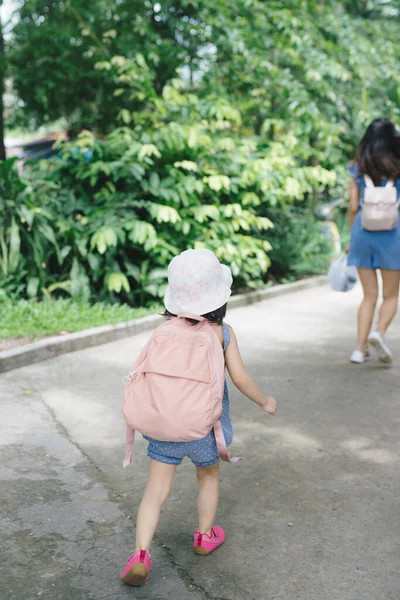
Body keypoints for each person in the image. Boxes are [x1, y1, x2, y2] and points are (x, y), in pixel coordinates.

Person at [120, 249, 277, 586]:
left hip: (163, 426)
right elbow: (240, 378)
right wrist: (265, 401)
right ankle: (205, 536)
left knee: (155, 490)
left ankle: (141, 554)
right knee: (208, 478)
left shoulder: (166, 329)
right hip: (205, 428)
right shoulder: (222, 333)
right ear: (219, 295)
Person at [347, 117, 400, 364]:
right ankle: (378, 333)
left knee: (368, 295)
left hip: (362, 234)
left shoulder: (357, 167)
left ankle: (359, 348)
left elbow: (352, 206)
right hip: (393, 236)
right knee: (390, 295)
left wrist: (350, 237)